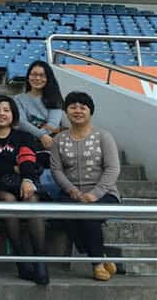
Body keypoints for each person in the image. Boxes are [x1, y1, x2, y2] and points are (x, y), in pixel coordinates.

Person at [0, 95, 49, 285]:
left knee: (32, 199)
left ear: (13, 114)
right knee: (8, 200)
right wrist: (13, 167)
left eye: (6, 110)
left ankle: (40, 261)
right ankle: (21, 260)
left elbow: (27, 160)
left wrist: (26, 177)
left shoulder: (23, 136)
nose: (1, 114)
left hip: (23, 183)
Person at [51, 92, 121, 281]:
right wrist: (72, 190)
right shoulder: (59, 139)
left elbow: (113, 169)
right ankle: (101, 254)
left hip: (104, 193)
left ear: (90, 112)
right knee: (66, 215)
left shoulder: (103, 136)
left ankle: (96, 264)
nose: (78, 111)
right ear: (66, 111)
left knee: (89, 216)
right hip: (71, 193)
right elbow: (56, 170)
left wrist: (95, 194)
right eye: (73, 107)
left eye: (83, 107)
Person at [14, 60, 64, 200]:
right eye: (34, 74)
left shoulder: (55, 99)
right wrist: (42, 135)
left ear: (48, 78)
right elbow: (21, 122)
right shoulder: (18, 99)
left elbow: (53, 124)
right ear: (28, 76)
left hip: (49, 144)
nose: (37, 78)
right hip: (26, 143)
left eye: (42, 75)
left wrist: (42, 135)